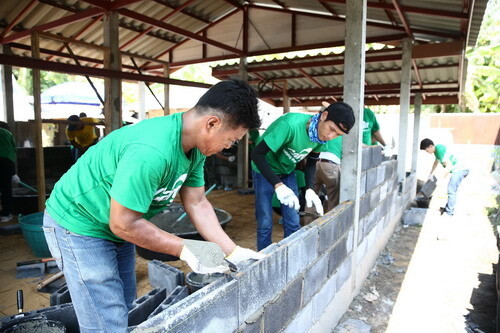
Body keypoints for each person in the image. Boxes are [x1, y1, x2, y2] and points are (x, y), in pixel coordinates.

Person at [43, 79, 265, 332]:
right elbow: (123, 223)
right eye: (231, 139)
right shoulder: (152, 151)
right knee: (105, 320)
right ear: (212, 123)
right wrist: (186, 248)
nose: (229, 146)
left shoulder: (194, 148)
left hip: (116, 225)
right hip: (79, 223)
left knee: (124, 302)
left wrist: (232, 251)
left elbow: (197, 201)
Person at [251, 102, 355, 250]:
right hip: (264, 170)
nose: (331, 136)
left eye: (338, 134)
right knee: (265, 222)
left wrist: (310, 189)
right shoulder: (289, 125)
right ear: (324, 116)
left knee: (293, 220)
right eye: (332, 129)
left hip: (287, 171)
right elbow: (257, 154)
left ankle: (292, 257)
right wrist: (278, 185)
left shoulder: (320, 138)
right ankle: (262, 259)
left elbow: (311, 163)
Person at [420, 138, 470, 217]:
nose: (427, 152)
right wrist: (431, 174)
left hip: (460, 169)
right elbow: (436, 162)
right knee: (451, 189)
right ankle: (448, 209)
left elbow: (449, 166)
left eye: (426, 150)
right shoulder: (437, 150)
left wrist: (441, 179)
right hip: (459, 168)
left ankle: (449, 213)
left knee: (451, 190)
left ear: (430, 146)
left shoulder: (440, 151)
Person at [314, 135, 343, 213]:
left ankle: (309, 223)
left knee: (312, 197)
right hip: (331, 165)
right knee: (333, 199)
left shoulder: (329, 132)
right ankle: (330, 224)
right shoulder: (344, 135)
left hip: (315, 162)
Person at [0, 122, 16, 222]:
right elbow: (13, 150)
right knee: (6, 189)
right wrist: (13, 172)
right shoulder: (8, 134)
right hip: (6, 163)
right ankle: (6, 214)